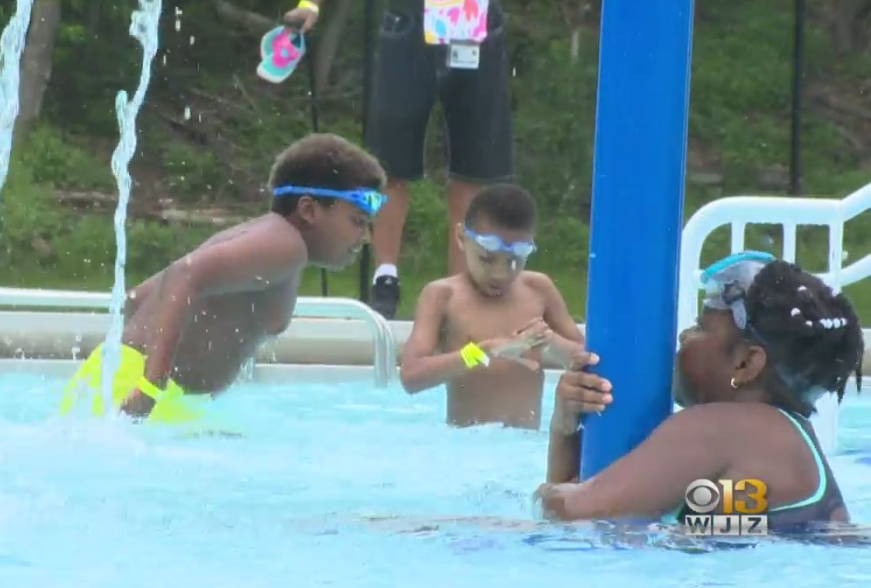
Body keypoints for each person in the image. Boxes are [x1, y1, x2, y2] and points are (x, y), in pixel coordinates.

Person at [59, 133, 386, 419]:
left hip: (117, 381)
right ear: (309, 210)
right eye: (357, 221)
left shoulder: (263, 238)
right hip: (147, 396)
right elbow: (182, 275)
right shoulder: (286, 245)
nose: (366, 237)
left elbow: (138, 298)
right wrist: (151, 385)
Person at [537, 252, 864, 534]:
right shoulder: (784, 440)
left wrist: (543, 498)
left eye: (700, 327)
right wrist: (565, 429)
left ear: (746, 363)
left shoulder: (723, 428)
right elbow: (606, 515)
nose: (683, 336)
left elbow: (569, 515)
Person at [284, 0, 515, 319]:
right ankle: (385, 277)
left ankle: (459, 290)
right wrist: (309, 5)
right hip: (410, 19)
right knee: (391, 159)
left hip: (474, 18)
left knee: (472, 167)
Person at [398, 184, 584, 428]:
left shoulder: (538, 290)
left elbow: (589, 363)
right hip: (468, 449)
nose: (501, 273)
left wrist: (551, 342)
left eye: (515, 261)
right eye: (487, 259)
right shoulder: (442, 296)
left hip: (527, 449)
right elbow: (411, 376)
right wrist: (482, 352)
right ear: (461, 238)